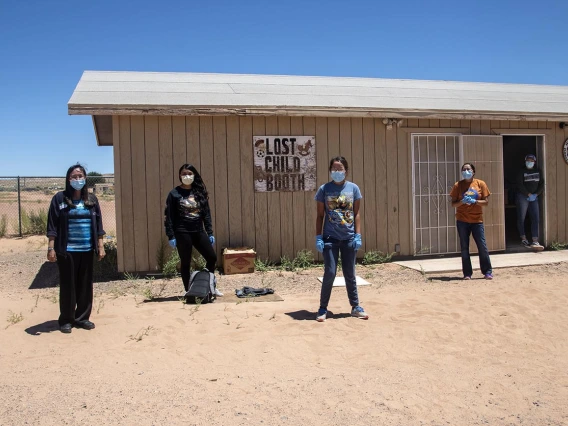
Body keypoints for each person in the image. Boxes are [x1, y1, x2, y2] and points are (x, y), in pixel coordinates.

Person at [46, 164, 106, 333]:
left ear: (85, 179)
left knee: (85, 285)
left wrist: (100, 246)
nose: (77, 179)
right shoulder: (59, 199)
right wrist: (51, 248)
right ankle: (66, 319)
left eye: (80, 176)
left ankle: (82, 318)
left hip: (87, 249)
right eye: (74, 176)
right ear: (68, 179)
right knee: (68, 285)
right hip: (67, 251)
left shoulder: (92, 200)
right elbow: (52, 225)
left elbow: (99, 225)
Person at [314, 156, 368, 322]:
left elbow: (356, 213)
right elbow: (320, 215)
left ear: (346, 170)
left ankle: (355, 306)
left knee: (349, 273)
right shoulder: (324, 189)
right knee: (330, 271)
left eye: (340, 169)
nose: (337, 172)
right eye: (334, 169)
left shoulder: (353, 189)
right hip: (330, 238)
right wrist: (319, 237)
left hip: (348, 238)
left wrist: (357, 235)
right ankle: (323, 308)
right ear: (330, 170)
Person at [164, 164, 221, 296]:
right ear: (179, 176)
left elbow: (206, 214)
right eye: (184, 174)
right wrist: (171, 235)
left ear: (194, 175)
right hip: (182, 232)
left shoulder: (199, 193)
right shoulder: (174, 194)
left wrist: (210, 232)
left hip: (198, 231)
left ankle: (209, 284)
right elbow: (169, 217)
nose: (187, 176)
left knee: (212, 258)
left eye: (189, 173)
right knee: (186, 262)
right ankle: (188, 290)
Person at [450, 163, 493, 280]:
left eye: (468, 169)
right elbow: (453, 204)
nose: (466, 171)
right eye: (464, 170)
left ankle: (487, 271)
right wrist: (462, 202)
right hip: (462, 220)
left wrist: (475, 202)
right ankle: (467, 273)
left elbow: (486, 202)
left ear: (473, 171)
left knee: (482, 246)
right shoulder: (458, 185)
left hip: (477, 220)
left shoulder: (480, 184)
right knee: (464, 247)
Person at [515, 154, 544, 249]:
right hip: (523, 197)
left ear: (534, 162)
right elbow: (519, 184)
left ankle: (535, 241)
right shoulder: (521, 171)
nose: (529, 162)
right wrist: (528, 194)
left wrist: (536, 194)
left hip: (534, 197)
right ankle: (523, 239)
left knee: (535, 218)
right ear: (525, 161)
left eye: (531, 160)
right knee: (521, 218)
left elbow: (541, 184)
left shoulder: (538, 171)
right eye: (528, 160)